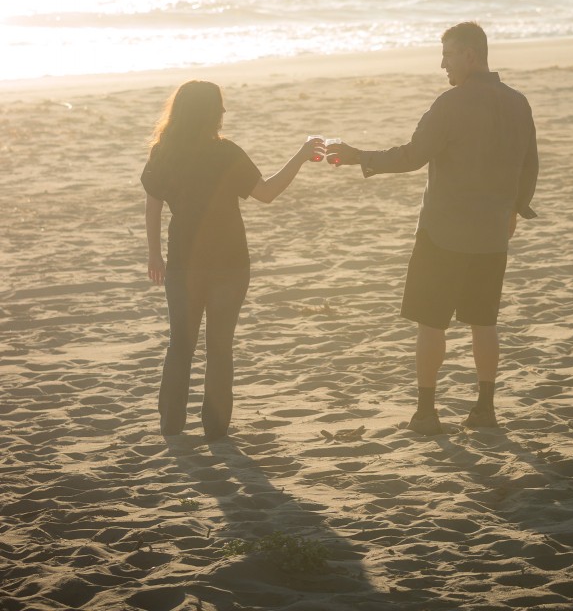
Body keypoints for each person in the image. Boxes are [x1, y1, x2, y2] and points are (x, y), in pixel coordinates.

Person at [326, 22, 538, 435]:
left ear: (470, 56)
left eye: (448, 55)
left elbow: (412, 156)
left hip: (443, 233)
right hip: (493, 232)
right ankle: (485, 409)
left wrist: (358, 156)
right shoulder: (518, 102)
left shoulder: (451, 103)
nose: (443, 64)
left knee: (431, 323)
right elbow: (529, 163)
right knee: (484, 321)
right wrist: (515, 208)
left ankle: (426, 412)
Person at [142, 80, 324, 442]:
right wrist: (301, 155)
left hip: (183, 262)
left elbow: (153, 205)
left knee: (181, 344)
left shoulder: (165, 151)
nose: (224, 113)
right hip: (230, 264)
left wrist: (154, 254)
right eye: (219, 107)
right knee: (219, 346)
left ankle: (171, 427)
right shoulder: (226, 153)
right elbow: (267, 193)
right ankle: (215, 430)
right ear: (210, 113)